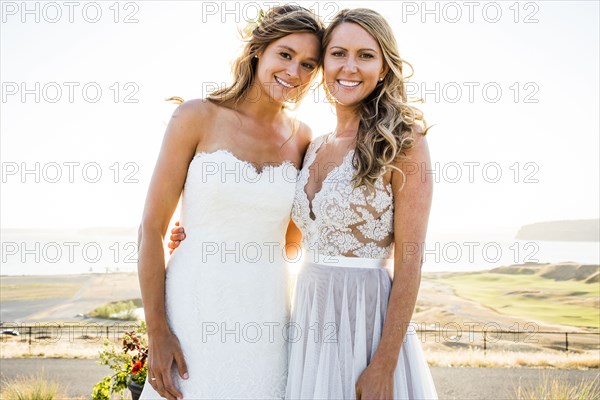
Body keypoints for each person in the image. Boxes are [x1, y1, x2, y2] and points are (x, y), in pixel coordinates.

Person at [170, 7, 438, 399]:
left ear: (383, 68)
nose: (350, 66)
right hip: (308, 314)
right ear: (324, 66)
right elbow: (288, 238)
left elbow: (410, 258)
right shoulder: (312, 146)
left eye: (365, 55)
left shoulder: (403, 141)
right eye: (338, 54)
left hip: (364, 316)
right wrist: (202, 233)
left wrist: (384, 362)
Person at [137, 5, 324, 399]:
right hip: (194, 303)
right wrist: (158, 331)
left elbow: (292, 242)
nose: (294, 73)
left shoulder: (304, 138)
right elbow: (150, 230)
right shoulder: (196, 117)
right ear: (259, 50)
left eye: (309, 65)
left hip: (267, 309)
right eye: (285, 55)